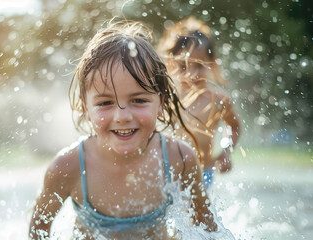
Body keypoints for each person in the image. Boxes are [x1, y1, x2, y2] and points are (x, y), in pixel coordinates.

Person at [28, 20, 216, 239]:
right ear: (85, 108)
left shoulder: (179, 159)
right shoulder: (68, 167)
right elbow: (38, 231)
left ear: (161, 104)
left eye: (138, 100)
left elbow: (207, 228)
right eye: (105, 103)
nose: (122, 117)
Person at [157, 17, 240, 189]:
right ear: (171, 65)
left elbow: (234, 126)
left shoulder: (218, 101)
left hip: (203, 173)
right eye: (183, 67)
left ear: (212, 64)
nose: (192, 74)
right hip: (167, 173)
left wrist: (225, 151)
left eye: (199, 66)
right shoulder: (165, 98)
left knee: (197, 214)